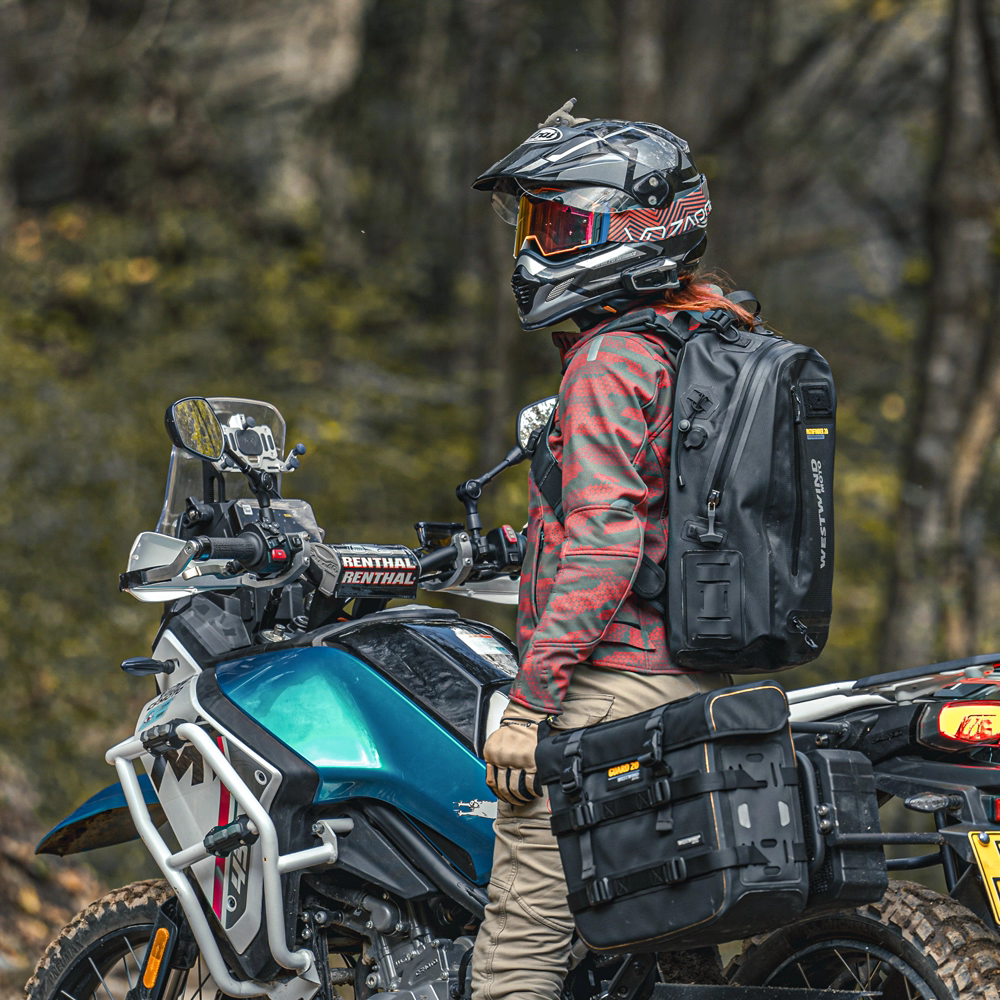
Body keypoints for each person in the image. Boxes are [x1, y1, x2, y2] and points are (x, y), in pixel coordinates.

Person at [468, 101, 756, 1000]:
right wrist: (519, 546)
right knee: (672, 945)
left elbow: (607, 543)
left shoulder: (608, 359)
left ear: (623, 232)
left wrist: (530, 706)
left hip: (607, 690)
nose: (533, 246)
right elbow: (666, 515)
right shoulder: (713, 341)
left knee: (520, 946)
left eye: (555, 226)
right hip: (701, 681)